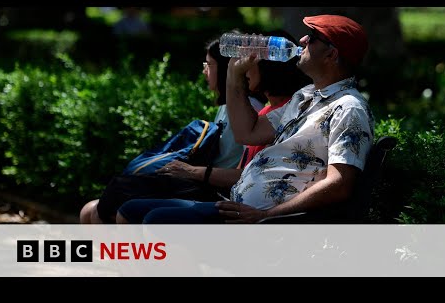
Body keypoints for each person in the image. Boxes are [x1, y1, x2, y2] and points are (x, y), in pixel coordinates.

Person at [116, 15, 374, 225]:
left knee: (155, 221)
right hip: (241, 208)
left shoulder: (349, 108)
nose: (303, 39)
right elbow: (246, 133)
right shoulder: (304, 96)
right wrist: (234, 73)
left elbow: (339, 184)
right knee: (129, 211)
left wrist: (266, 216)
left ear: (331, 55)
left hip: (270, 223)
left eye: (314, 37)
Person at [116, 30, 312, 223]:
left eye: (251, 62)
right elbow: (243, 171)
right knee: (125, 207)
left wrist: (192, 171)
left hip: (242, 205)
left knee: (146, 213)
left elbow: (243, 149)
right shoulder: (266, 112)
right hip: (232, 196)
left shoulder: (285, 111)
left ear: (269, 66)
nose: (245, 69)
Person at [79, 36, 266, 224]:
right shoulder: (226, 107)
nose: (204, 71)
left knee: (102, 210)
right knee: (91, 209)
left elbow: (246, 172)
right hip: (198, 182)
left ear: (226, 68)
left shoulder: (249, 109)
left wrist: (192, 171)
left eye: (209, 64)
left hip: (214, 190)